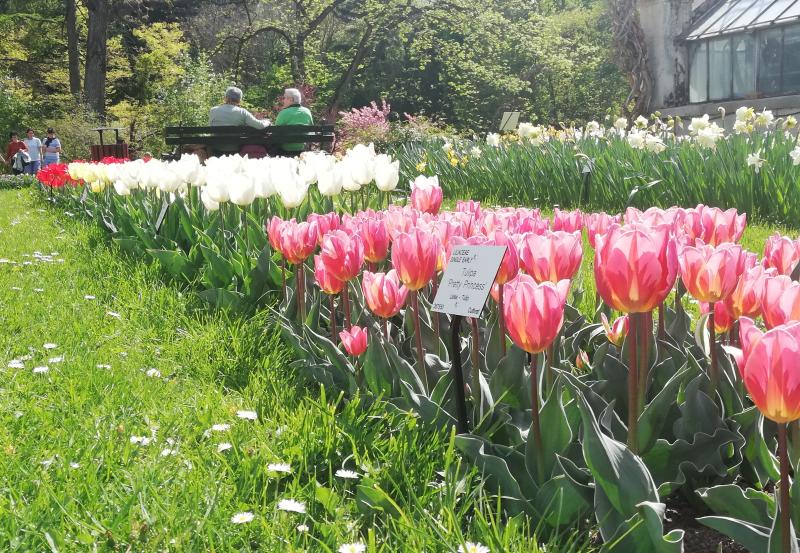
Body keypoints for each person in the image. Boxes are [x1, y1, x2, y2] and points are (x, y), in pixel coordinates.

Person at [208, 86, 270, 156]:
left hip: (216, 147)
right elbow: (260, 126)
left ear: (225, 98)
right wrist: (267, 121)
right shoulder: (242, 112)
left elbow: (210, 127)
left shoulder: (213, 110)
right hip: (236, 148)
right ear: (239, 100)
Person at [273, 88, 314, 156]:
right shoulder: (307, 111)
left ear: (291, 99)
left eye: (285, 98)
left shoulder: (283, 113)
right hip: (301, 149)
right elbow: (311, 128)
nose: (283, 100)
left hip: (284, 150)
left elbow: (275, 132)